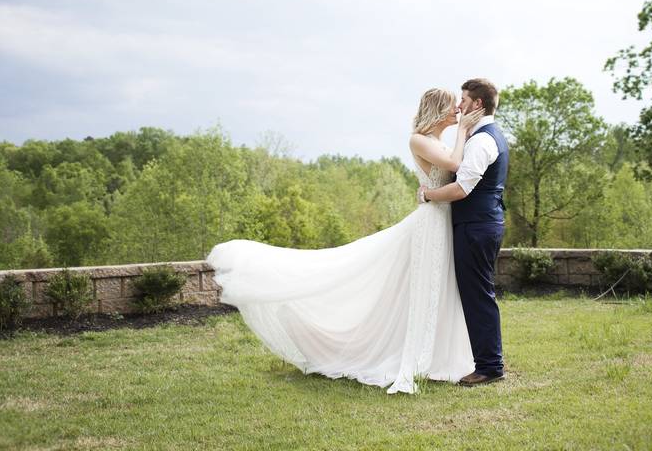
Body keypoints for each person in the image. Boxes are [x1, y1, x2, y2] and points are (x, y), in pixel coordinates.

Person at [205, 87, 484, 394]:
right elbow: (456, 166)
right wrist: (463, 132)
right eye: (452, 107)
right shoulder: (418, 139)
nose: (458, 110)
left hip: (443, 221)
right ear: (439, 109)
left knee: (440, 289)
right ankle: (398, 353)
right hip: (430, 224)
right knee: (416, 290)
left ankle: (440, 358)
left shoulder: (438, 141)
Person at [418, 78, 509, 386]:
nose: (459, 105)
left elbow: (461, 189)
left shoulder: (483, 141)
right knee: (476, 294)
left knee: (478, 295)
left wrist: (428, 195)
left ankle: (490, 366)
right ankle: (486, 361)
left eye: (464, 99)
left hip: (476, 226)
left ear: (477, 104)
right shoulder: (479, 136)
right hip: (479, 224)